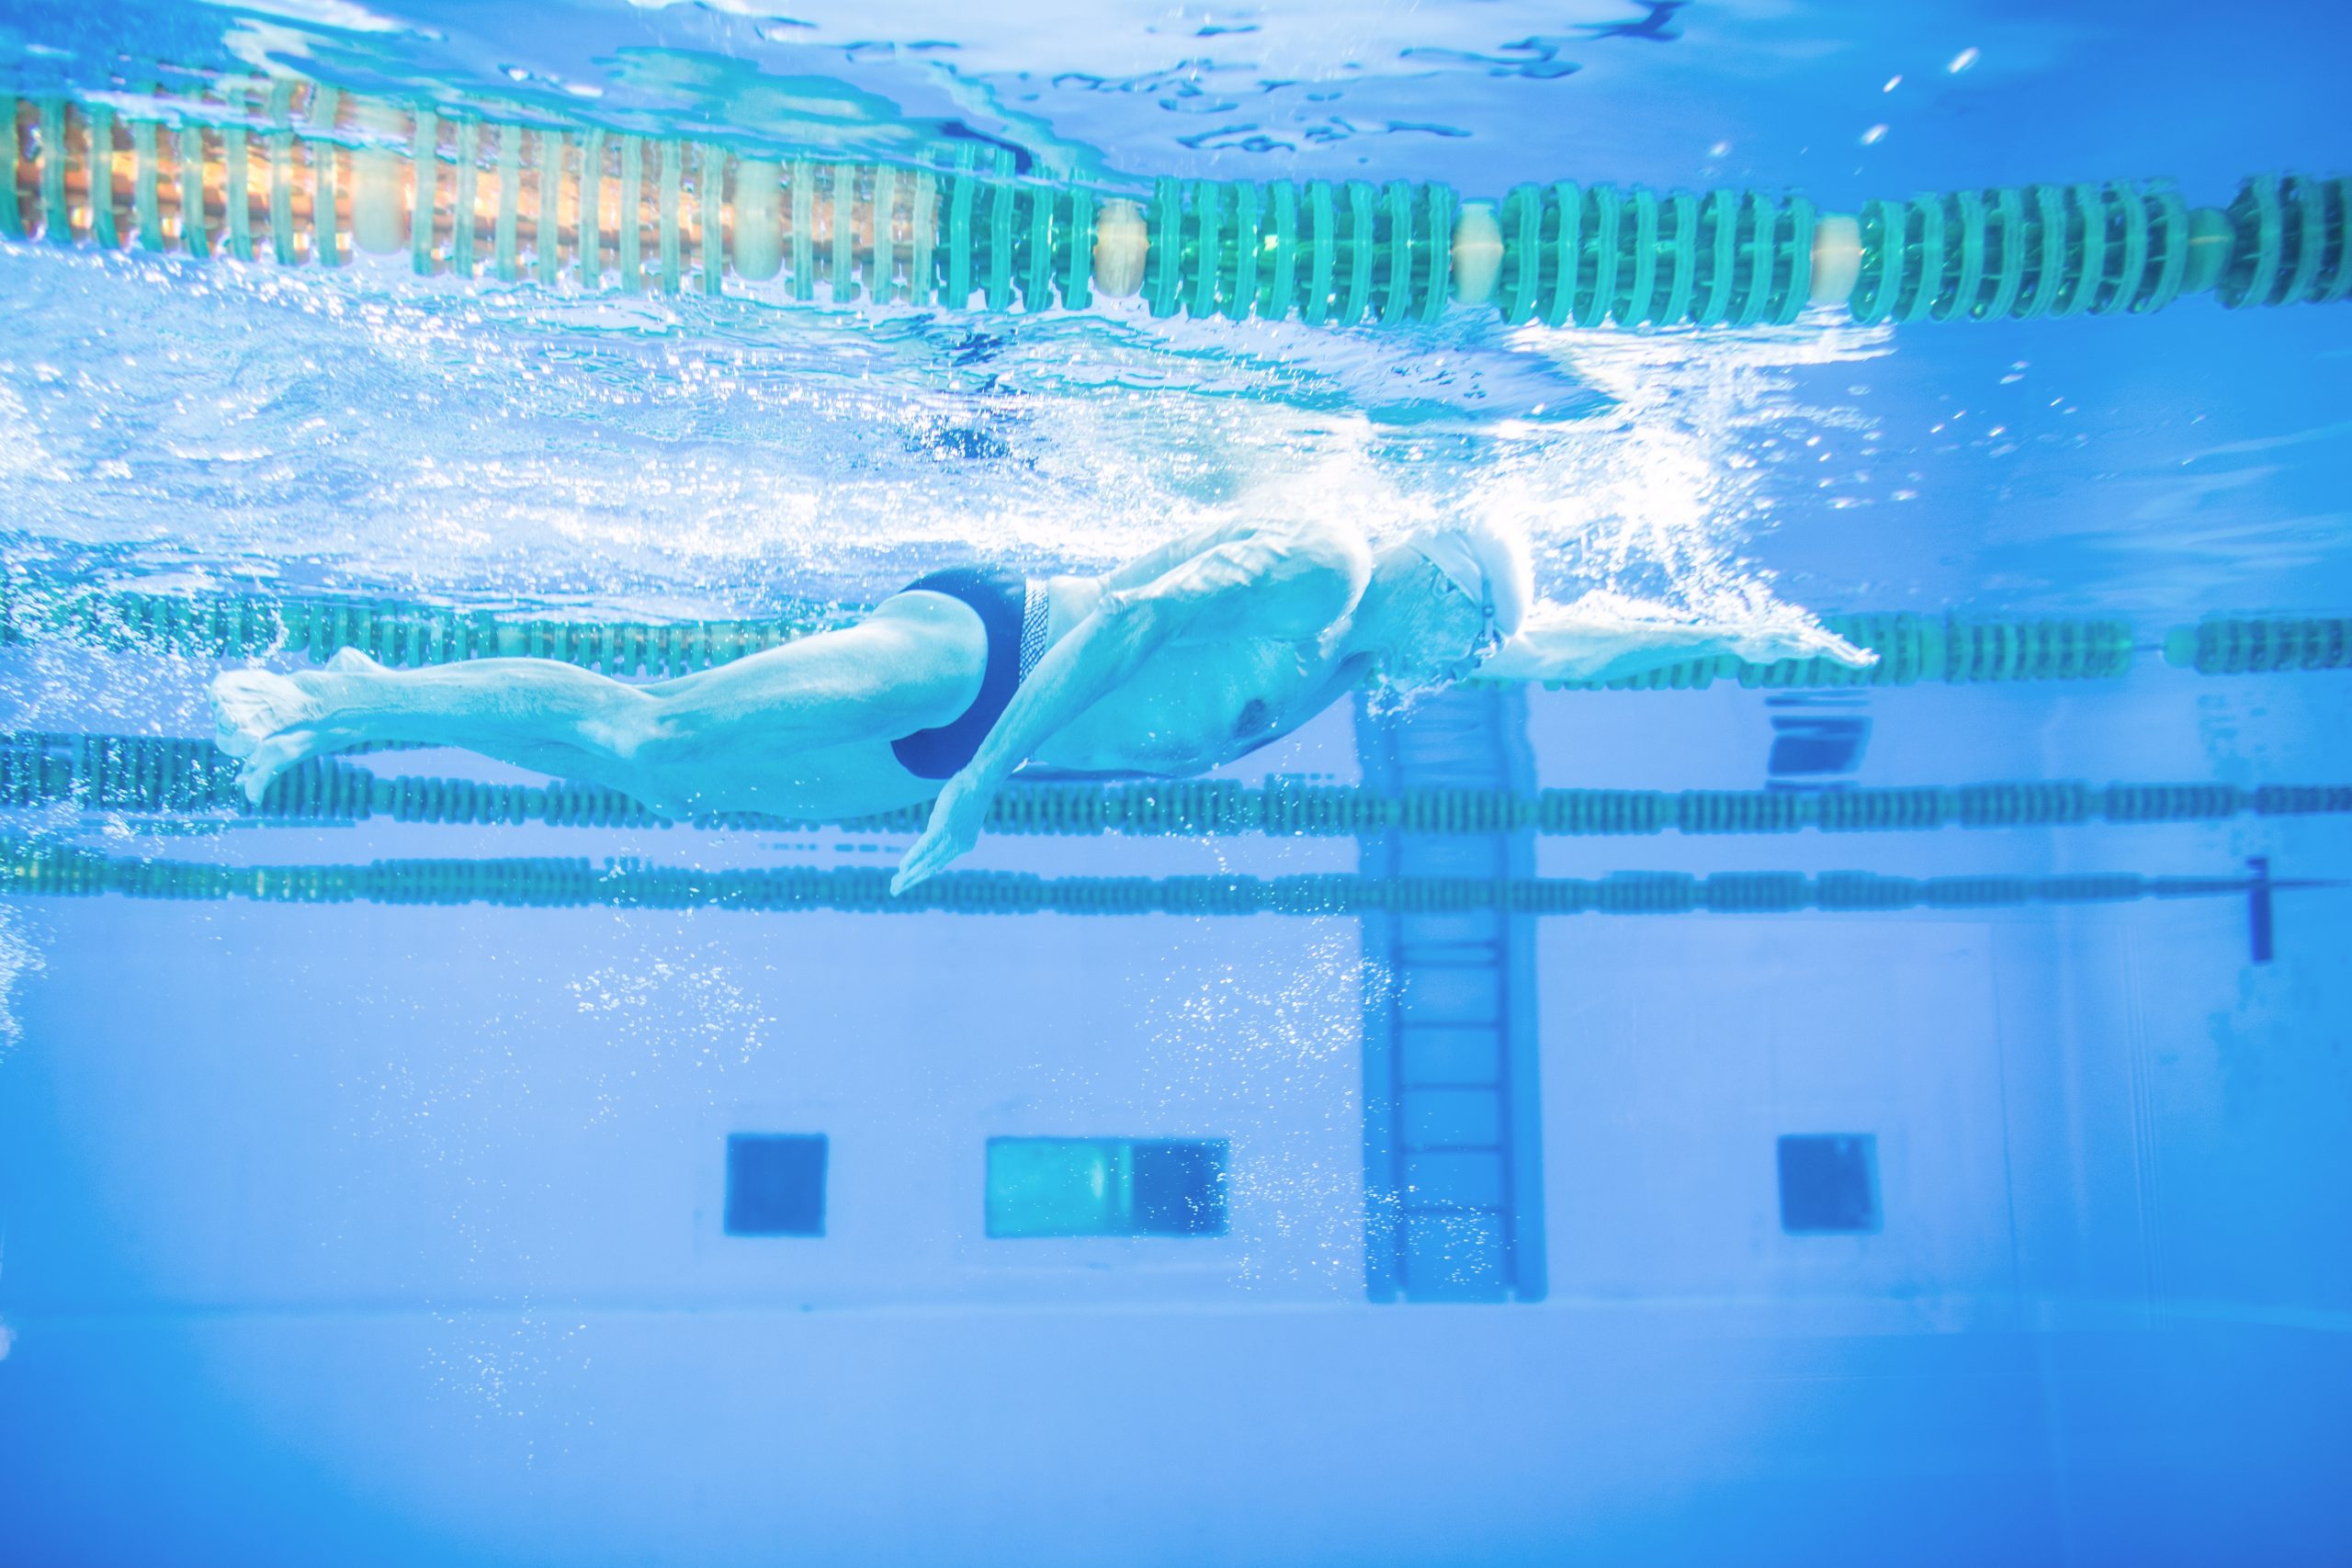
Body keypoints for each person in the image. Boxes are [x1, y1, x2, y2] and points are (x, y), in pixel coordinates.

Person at [211, 518, 1873, 892]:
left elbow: (1577, 645)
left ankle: (369, 702)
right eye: (1467, 634)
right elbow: (1135, 616)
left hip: (982, 767)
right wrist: (981, 786)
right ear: (1438, 579)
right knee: (674, 728)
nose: (1461, 672)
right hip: (993, 662)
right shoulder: (1326, 570)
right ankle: (331, 701)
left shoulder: (1406, 641)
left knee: (651, 783)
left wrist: (1749, 637)